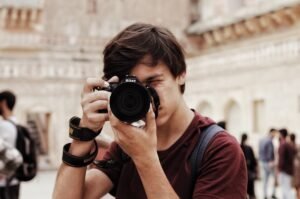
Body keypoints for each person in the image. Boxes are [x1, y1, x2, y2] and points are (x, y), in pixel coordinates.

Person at [53, 23, 247, 199]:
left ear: (180, 74)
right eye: (134, 88)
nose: (148, 96)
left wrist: (145, 158)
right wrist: (83, 137)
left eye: (153, 82)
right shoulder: (127, 146)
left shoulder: (219, 150)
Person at [0, 90, 21, 199]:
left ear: (3, 103)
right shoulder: (17, 124)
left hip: (2, 184)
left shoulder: (3, 126)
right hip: (14, 180)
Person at [259, 128, 278, 199]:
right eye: (275, 133)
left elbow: (260, 151)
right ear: (272, 132)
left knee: (265, 180)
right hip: (269, 163)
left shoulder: (261, 140)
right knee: (274, 178)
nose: (275, 135)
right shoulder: (270, 141)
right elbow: (270, 152)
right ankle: (273, 193)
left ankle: (265, 195)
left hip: (262, 162)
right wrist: (271, 161)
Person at [278, 128, 296, 199]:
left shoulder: (283, 144)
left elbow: (281, 159)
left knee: (285, 189)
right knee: (286, 189)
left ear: (281, 135)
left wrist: (279, 169)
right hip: (288, 169)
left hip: (284, 170)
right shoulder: (288, 144)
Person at [241, 133, 258, 199]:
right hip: (249, 172)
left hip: (242, 173)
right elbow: (253, 161)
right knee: (251, 192)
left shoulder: (239, 146)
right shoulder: (249, 148)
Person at [290, 133, 300, 199]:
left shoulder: (289, 146)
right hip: (297, 165)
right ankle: (297, 195)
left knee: (296, 183)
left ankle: (297, 195)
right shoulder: (297, 145)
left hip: (294, 166)